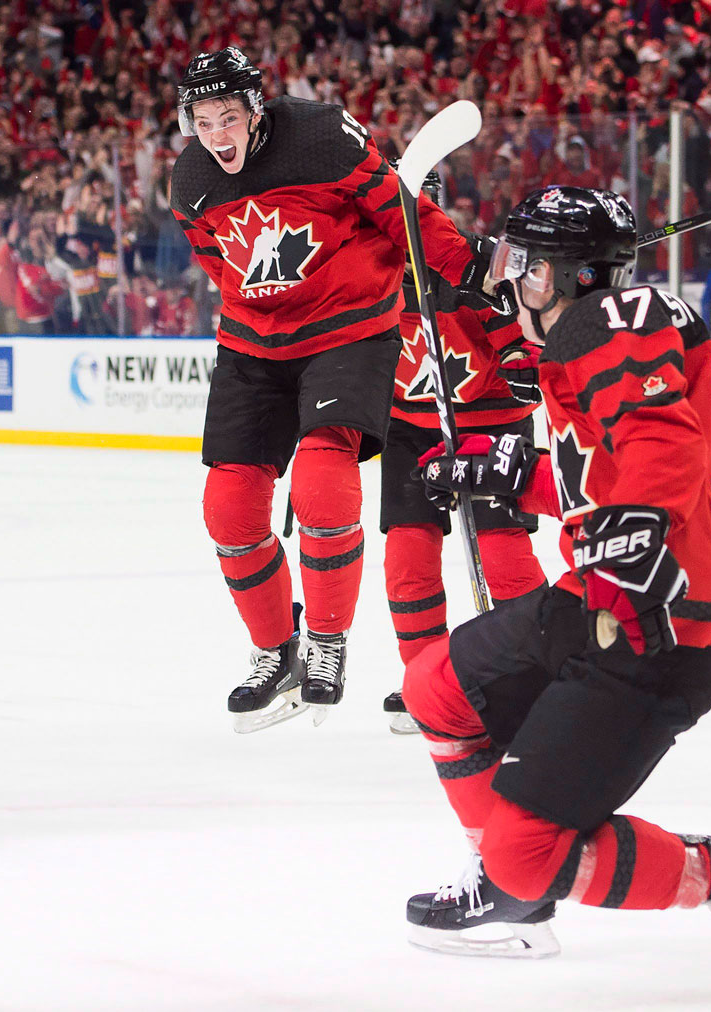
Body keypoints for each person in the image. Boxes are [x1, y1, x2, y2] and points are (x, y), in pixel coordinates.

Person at [402, 186, 711, 993]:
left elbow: (665, 449)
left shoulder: (609, 323)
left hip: (661, 621)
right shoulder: (593, 341)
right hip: (606, 596)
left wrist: (639, 533)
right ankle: (517, 888)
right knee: (435, 689)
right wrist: (511, 474)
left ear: (566, 277)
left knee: (528, 853)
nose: (512, 278)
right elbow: (607, 474)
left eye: (526, 264)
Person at [169, 47, 487, 732]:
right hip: (252, 347)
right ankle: (273, 650)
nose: (218, 134)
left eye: (229, 115)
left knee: (320, 479)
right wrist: (262, 314)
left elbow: (398, 209)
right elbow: (213, 259)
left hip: (348, 329)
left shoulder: (319, 136)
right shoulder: (190, 178)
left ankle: (328, 642)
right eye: (203, 119)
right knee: (228, 507)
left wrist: (465, 265)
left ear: (256, 108)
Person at [381, 171, 545, 735]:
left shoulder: (477, 264)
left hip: (489, 423)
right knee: (407, 558)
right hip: (410, 427)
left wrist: (524, 362)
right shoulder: (368, 272)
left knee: (502, 556)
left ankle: (538, 670)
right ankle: (429, 680)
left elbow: (522, 330)